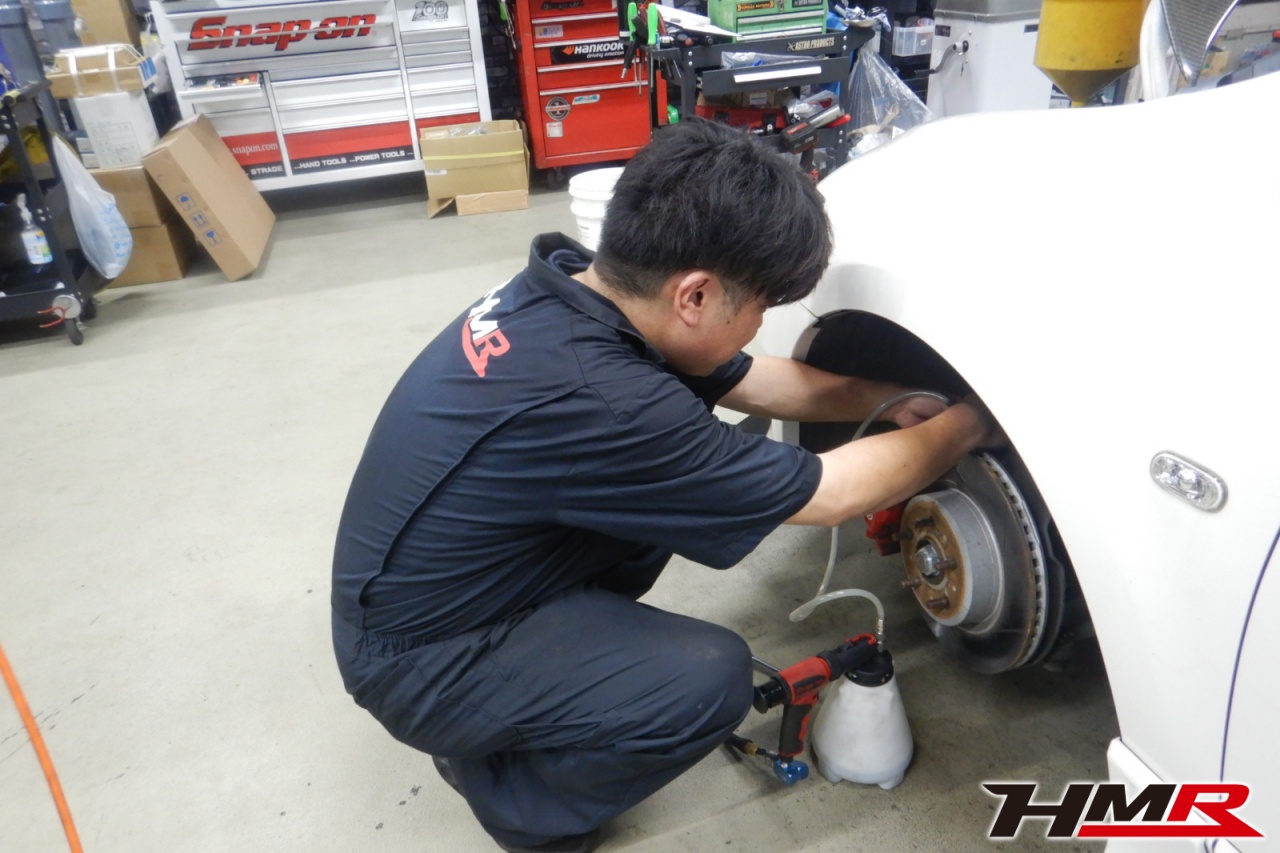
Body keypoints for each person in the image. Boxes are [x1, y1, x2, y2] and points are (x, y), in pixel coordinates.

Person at [330, 118, 997, 853]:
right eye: (760, 306)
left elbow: (753, 379)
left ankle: (528, 700)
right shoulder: (604, 398)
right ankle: (518, 802)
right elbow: (831, 491)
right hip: (418, 661)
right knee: (707, 680)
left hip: (431, 592)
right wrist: (973, 422)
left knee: (654, 520)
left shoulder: (577, 290)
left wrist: (895, 399)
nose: (758, 326)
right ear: (696, 295)